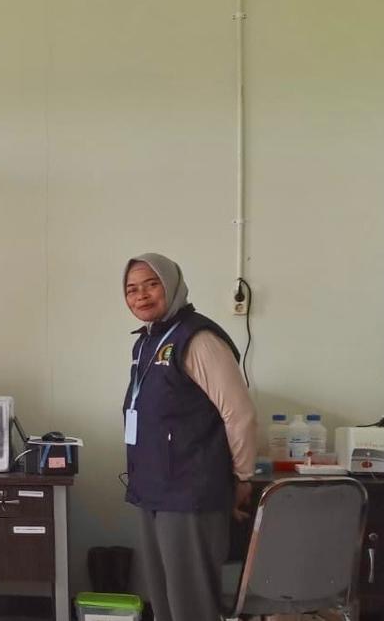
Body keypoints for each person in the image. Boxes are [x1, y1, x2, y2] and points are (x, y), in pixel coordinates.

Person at [121, 252, 257, 621]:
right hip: (152, 488)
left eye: (152, 284)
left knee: (190, 603)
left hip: (188, 492)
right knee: (163, 598)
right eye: (132, 289)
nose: (141, 295)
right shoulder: (147, 342)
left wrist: (243, 476)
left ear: (172, 286)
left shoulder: (198, 339)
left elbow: (239, 414)